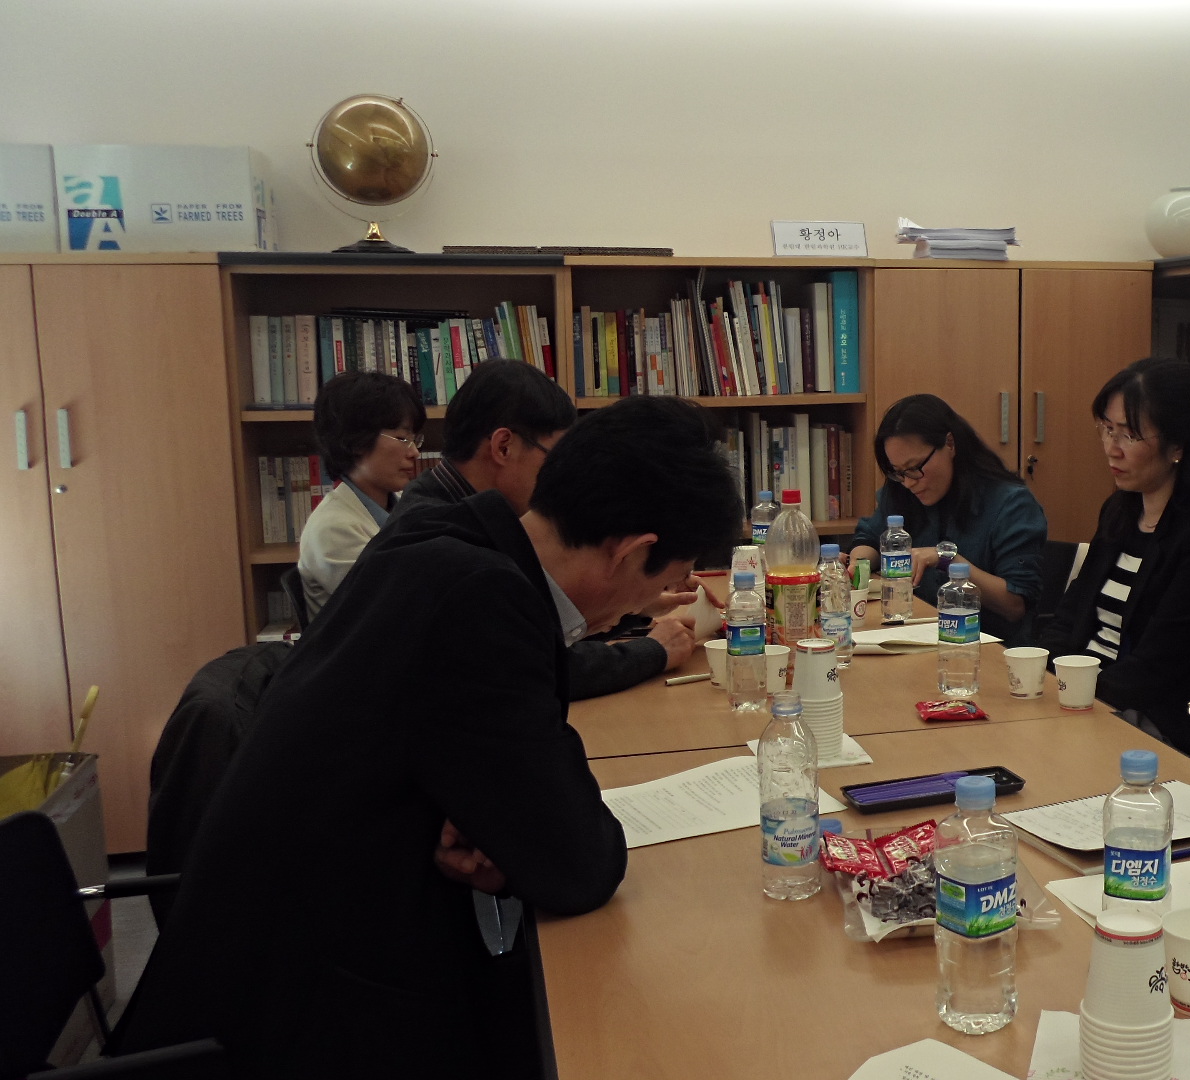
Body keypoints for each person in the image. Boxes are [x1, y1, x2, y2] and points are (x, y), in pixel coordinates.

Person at [115, 396, 744, 1079]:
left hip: (274, 940)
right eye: (667, 580)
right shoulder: (485, 603)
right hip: (309, 1009)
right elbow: (579, 865)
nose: (650, 603)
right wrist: (519, 833)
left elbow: (486, 767)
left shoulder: (439, 535)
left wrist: (499, 823)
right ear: (631, 551)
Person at [392, 359, 695, 698]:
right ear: (503, 447)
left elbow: (536, 634)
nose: (565, 472)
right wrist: (655, 650)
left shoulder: (461, 513)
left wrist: (629, 603)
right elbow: (536, 664)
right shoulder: (443, 543)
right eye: (556, 456)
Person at [1037, 358, 1190, 758]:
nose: (1112, 448)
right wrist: (1043, 675)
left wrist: (1071, 698)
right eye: (1107, 429)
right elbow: (1070, 615)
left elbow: (1156, 668)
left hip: (1157, 723)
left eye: (1129, 435)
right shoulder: (1121, 509)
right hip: (1087, 701)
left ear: (1178, 445)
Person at [848, 394, 1047, 642]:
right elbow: (870, 537)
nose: (908, 482)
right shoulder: (902, 489)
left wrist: (946, 559)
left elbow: (1015, 604)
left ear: (950, 444)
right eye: (898, 472)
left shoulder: (1011, 504)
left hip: (985, 646)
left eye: (915, 467)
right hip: (918, 634)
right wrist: (857, 564)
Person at [297, 370, 426, 614]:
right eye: (402, 438)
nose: (414, 452)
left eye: (414, 440)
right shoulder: (334, 528)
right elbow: (398, 605)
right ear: (357, 441)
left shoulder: (398, 505)